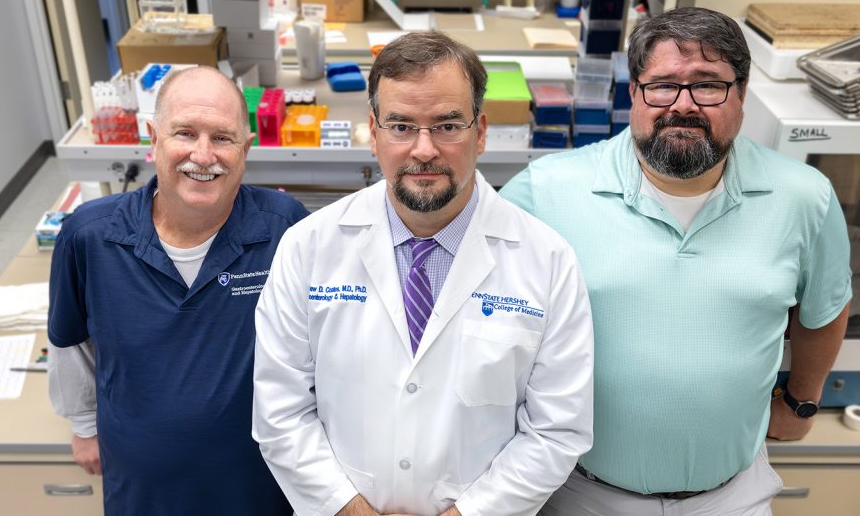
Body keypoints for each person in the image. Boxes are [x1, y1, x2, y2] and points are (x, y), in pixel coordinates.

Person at [501, 7, 852, 516]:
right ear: (634, 94)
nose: (682, 106)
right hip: (578, 493)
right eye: (662, 85)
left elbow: (825, 308)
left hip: (731, 498)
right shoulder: (545, 191)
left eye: (708, 85)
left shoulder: (805, 198)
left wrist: (801, 402)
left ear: (742, 95)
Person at [252, 31, 594, 516]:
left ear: (481, 131)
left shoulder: (548, 262)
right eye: (401, 126)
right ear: (373, 133)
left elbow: (557, 430)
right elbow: (279, 410)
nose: (424, 149)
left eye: (448, 125)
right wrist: (348, 508)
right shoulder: (310, 247)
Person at [47, 66, 307, 515]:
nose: (203, 156)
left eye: (223, 138)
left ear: (245, 150)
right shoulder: (89, 237)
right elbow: (71, 343)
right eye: (185, 133)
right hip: (144, 491)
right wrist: (84, 426)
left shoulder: (285, 228)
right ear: (154, 139)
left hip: (261, 486)